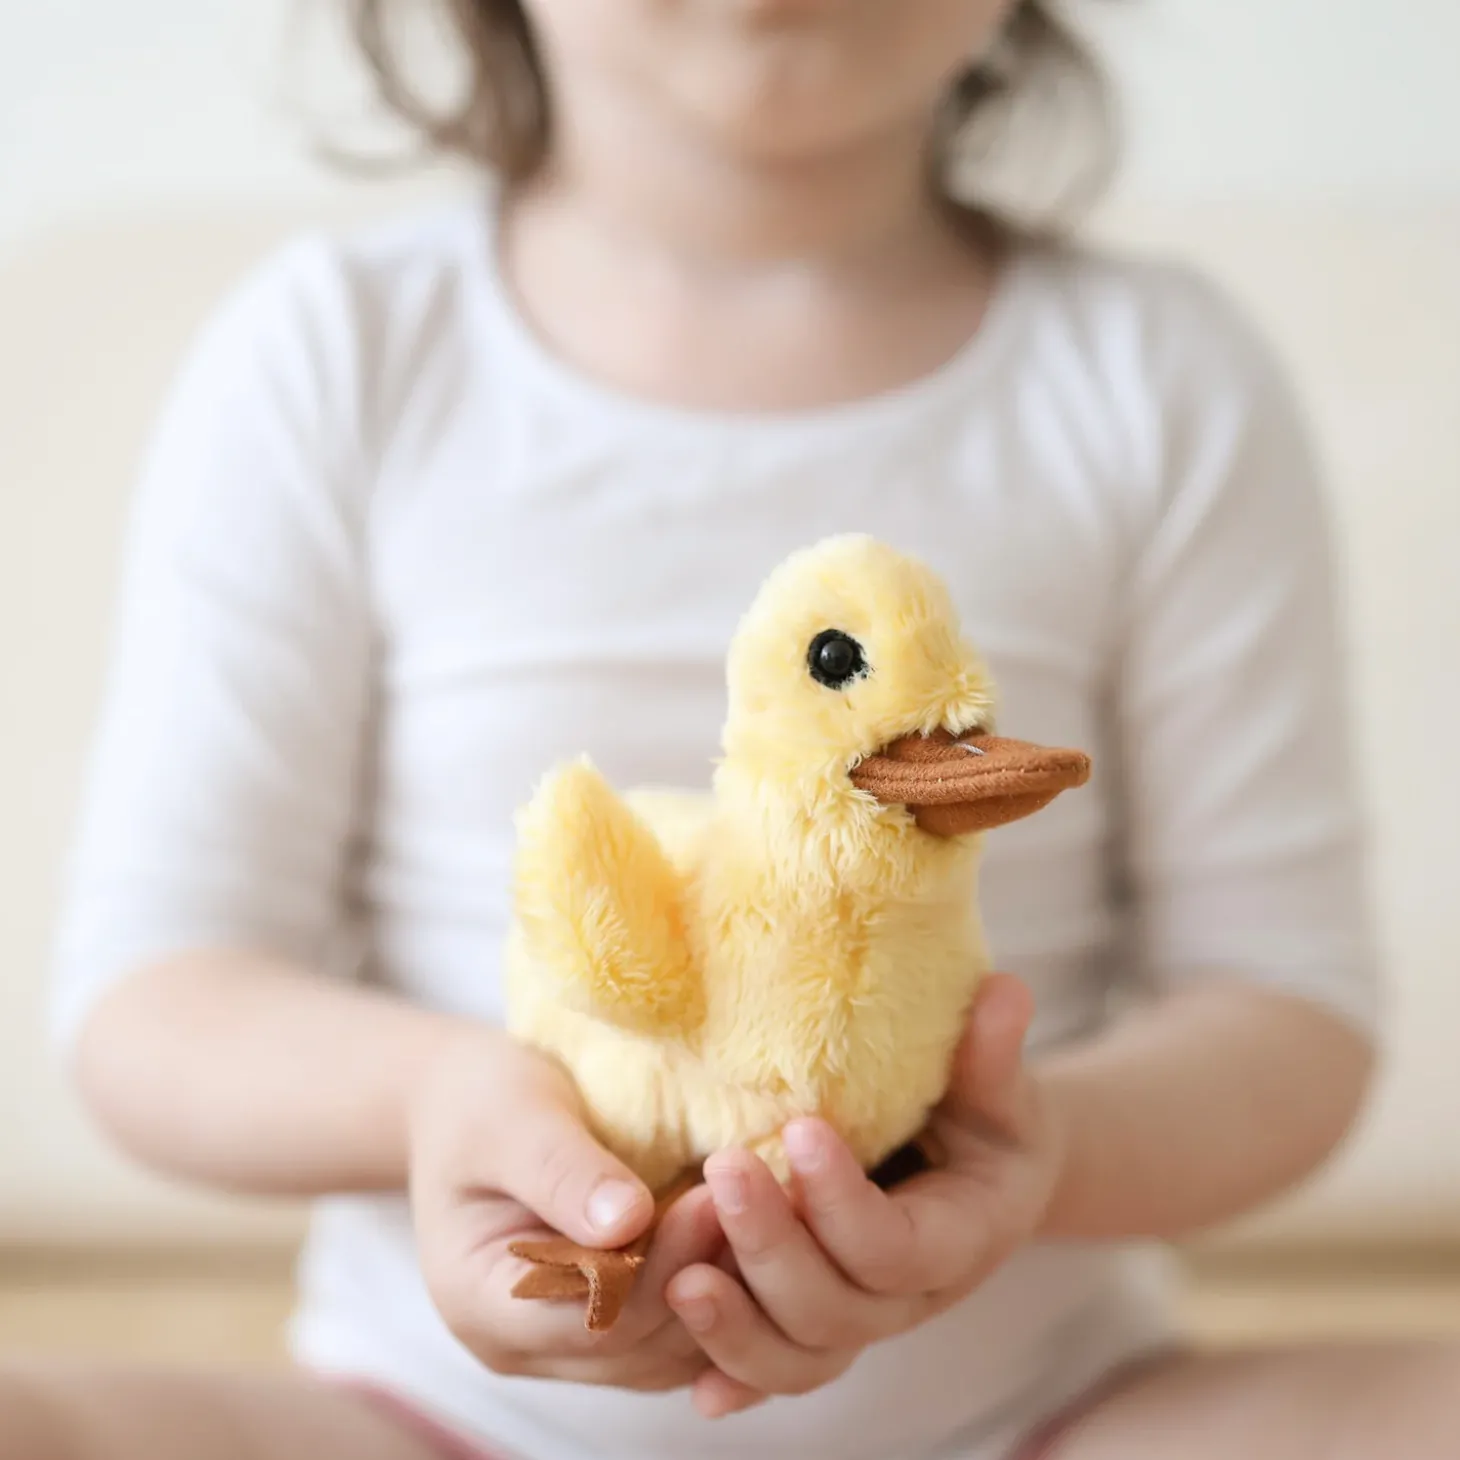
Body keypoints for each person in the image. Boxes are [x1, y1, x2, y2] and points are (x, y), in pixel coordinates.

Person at [10, 1, 1457, 1456]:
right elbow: (155, 1003)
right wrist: (446, 1096)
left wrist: (1033, 1151)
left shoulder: (1162, 377)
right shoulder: (335, 357)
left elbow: (1286, 1018)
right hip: (429, 1423)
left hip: (1057, 1418)